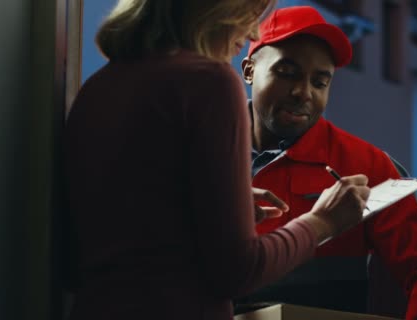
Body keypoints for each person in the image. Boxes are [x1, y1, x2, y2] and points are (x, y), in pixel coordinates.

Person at [63, 1, 372, 320]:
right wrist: (323, 221)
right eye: (248, 13)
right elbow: (239, 272)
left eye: (320, 82)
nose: (252, 30)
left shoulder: (98, 88)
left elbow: (77, 260)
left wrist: (201, 207)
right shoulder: (209, 81)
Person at [234, 6, 417, 320]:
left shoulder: (367, 167)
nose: (303, 92)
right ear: (249, 70)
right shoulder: (203, 151)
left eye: (320, 82)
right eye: (286, 73)